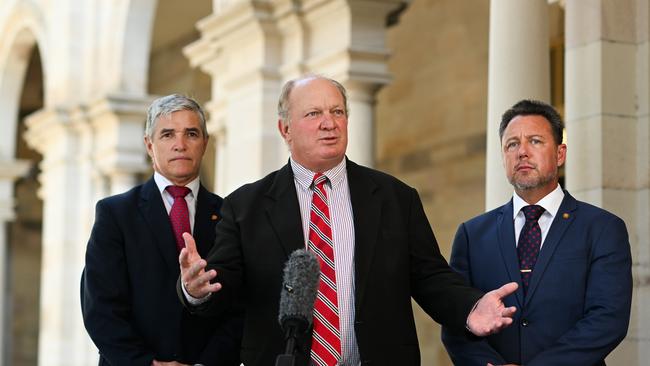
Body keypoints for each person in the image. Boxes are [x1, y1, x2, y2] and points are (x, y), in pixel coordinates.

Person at [177, 75, 519, 366]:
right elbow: (221, 288)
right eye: (314, 113)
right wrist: (195, 290)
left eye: (337, 111)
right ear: (285, 129)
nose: (329, 122)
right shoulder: (245, 206)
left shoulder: (394, 198)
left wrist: (469, 309)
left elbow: (430, 277)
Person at [441, 99, 633, 366]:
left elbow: (608, 319)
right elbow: (456, 318)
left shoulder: (602, 228)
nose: (522, 152)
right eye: (512, 144)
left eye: (535, 141)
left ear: (560, 154)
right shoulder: (472, 235)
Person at [81, 94, 242, 366]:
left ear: (205, 142)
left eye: (191, 133)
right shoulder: (115, 214)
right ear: (149, 145)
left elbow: (241, 306)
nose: (180, 144)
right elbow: (100, 308)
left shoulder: (230, 214)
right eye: (167, 134)